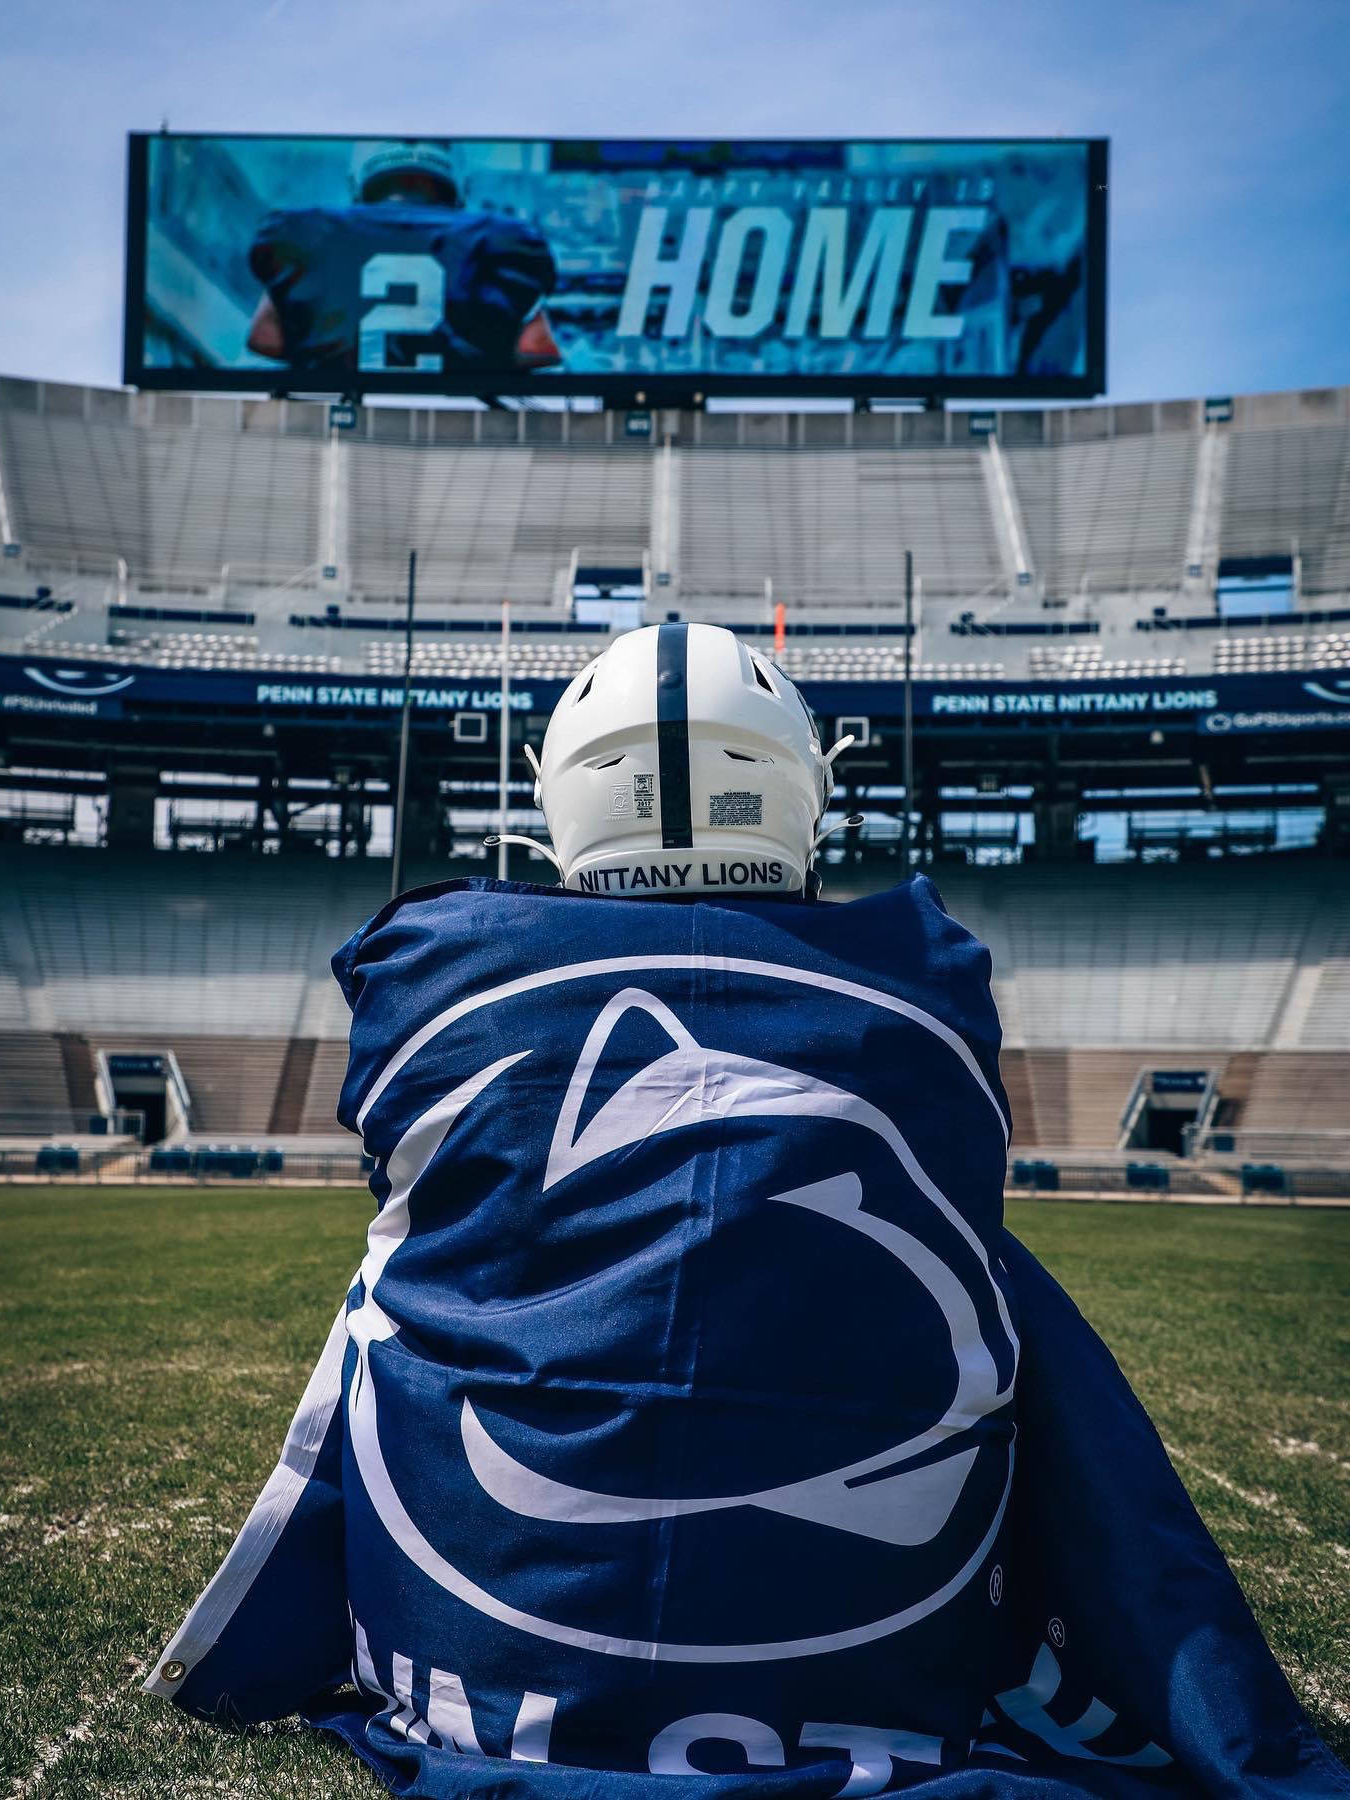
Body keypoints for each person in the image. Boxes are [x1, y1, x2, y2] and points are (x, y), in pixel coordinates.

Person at [147, 624, 1346, 1799]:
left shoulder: (430, 960)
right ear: (802, 792)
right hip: (876, 1682)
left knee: (405, 1277)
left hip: (482, 1678)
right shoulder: (928, 976)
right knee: (991, 1275)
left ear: (560, 797)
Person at [246, 139, 560, 378]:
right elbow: (536, 349)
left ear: (360, 180)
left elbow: (266, 340)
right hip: (457, 411)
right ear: (457, 184)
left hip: (344, 409)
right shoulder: (502, 238)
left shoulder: (306, 232)